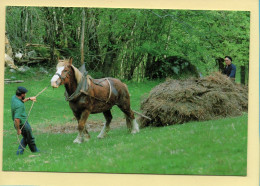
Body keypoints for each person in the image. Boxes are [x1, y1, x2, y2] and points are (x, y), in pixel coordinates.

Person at [11, 86, 39, 155]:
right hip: (22, 124)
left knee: (26, 137)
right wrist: (18, 130)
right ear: (22, 94)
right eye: (25, 94)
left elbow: (21, 101)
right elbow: (16, 119)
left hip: (23, 122)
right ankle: (35, 151)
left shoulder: (14, 98)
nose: (25, 95)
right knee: (30, 138)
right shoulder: (19, 105)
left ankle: (19, 153)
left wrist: (29, 99)